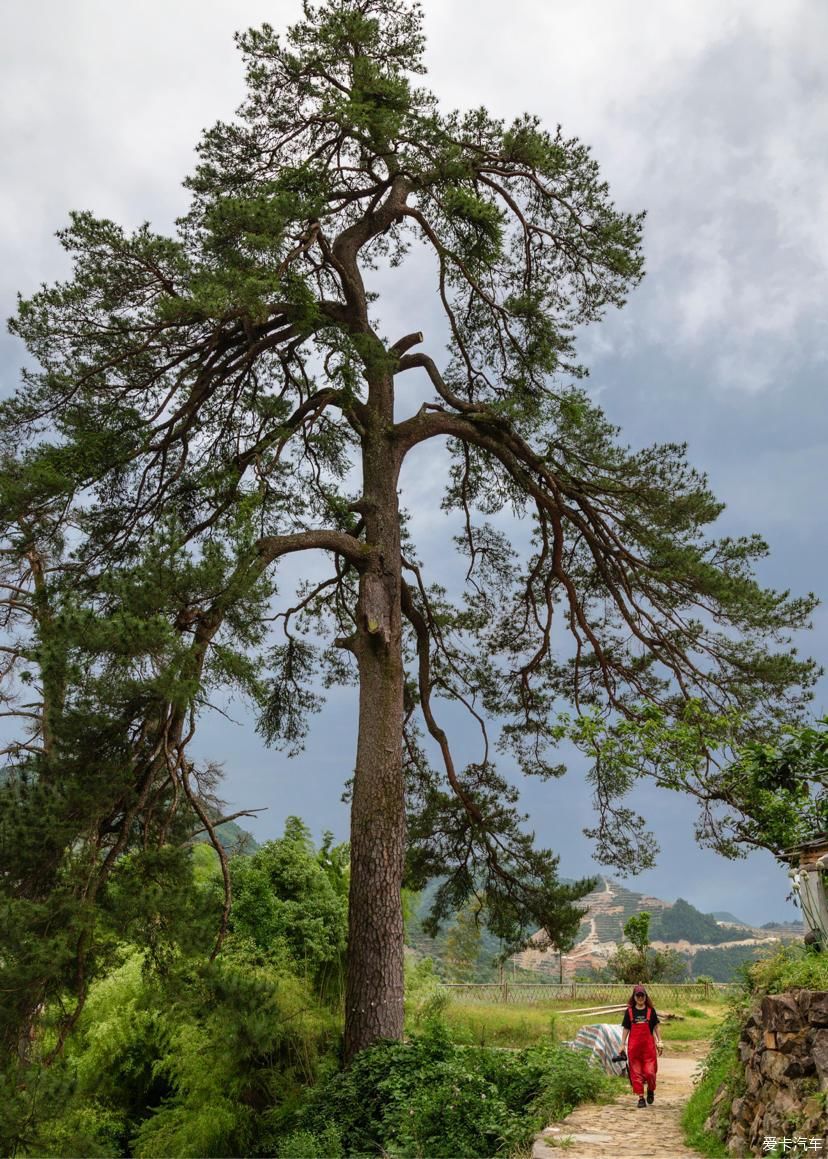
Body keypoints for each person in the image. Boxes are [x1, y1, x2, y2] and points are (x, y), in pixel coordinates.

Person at [620, 984, 663, 1108]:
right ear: (634, 997)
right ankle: (640, 1098)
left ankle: (650, 1089)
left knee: (650, 1072)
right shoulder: (629, 1012)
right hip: (634, 1049)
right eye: (637, 995)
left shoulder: (651, 1011)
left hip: (648, 1049)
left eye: (642, 995)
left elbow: (656, 1027)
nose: (640, 998)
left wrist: (660, 1042)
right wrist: (622, 1044)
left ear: (645, 996)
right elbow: (626, 1028)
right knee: (636, 1073)